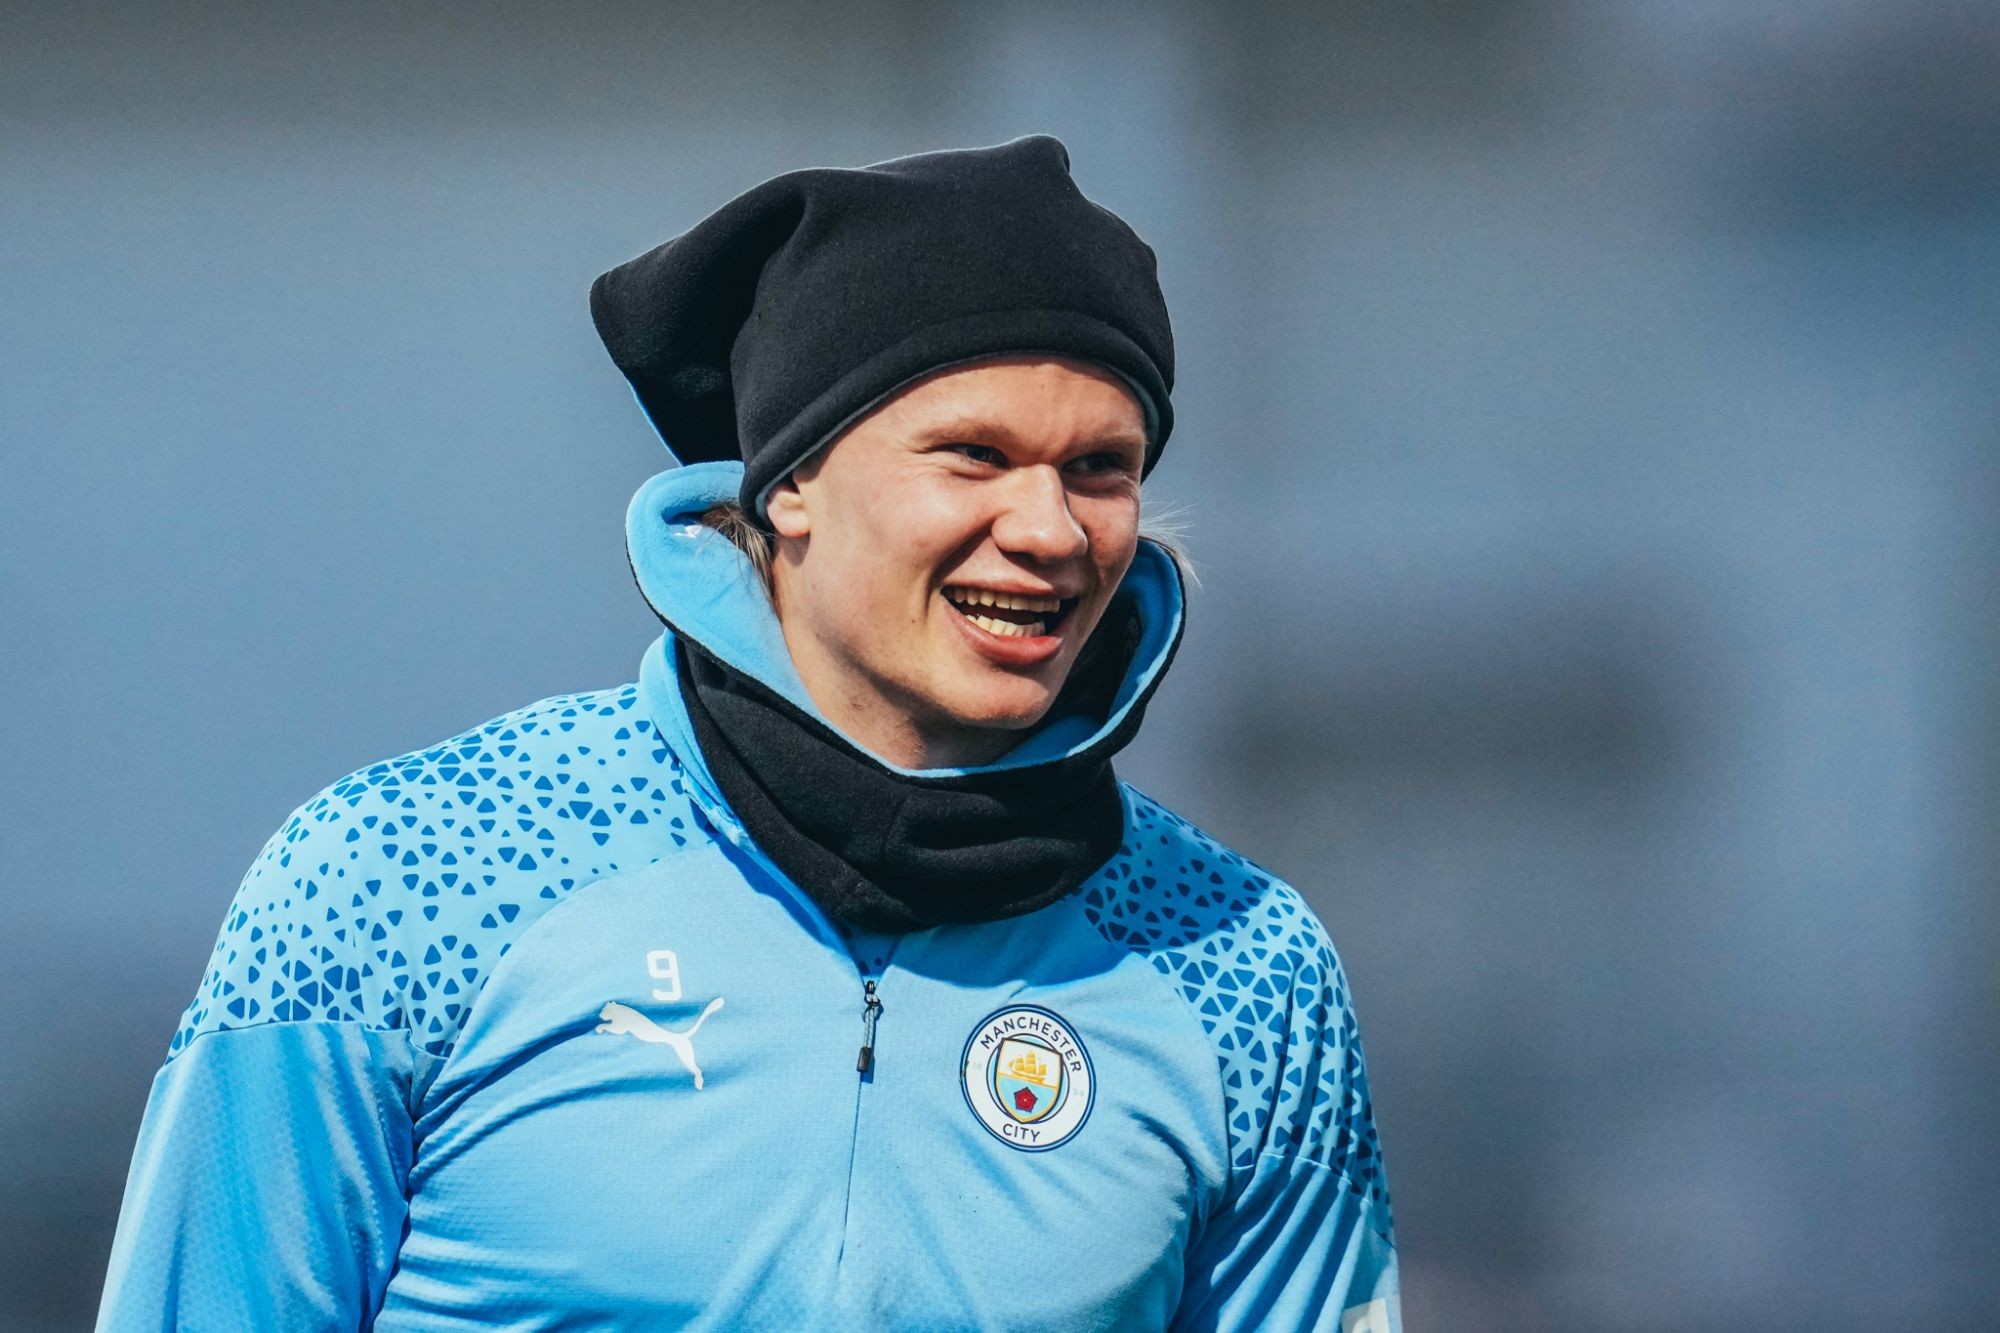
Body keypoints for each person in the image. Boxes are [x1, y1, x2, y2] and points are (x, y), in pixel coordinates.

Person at [95, 134, 1401, 1331]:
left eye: (1100, 467)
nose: (1050, 529)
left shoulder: (1241, 964)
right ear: (790, 488)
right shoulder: (407, 870)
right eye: (972, 454)